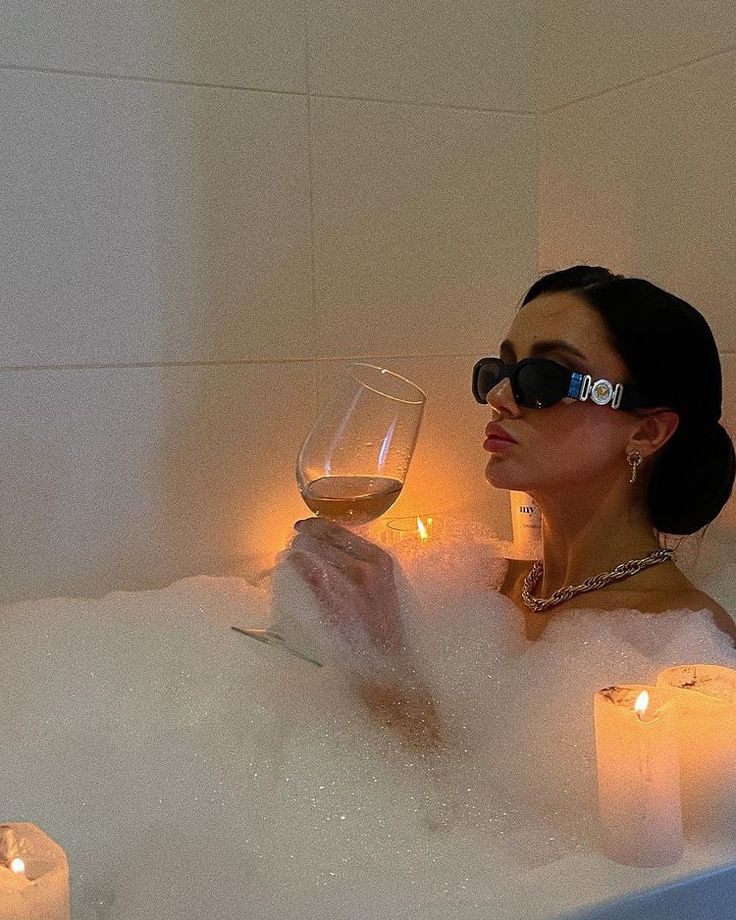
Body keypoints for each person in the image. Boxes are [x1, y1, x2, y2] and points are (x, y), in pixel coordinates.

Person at [285, 265, 736, 743]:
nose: (499, 397)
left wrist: (387, 668)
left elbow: (511, 818)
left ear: (647, 431)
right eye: (497, 372)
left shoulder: (688, 655)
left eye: (543, 378)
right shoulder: (483, 586)